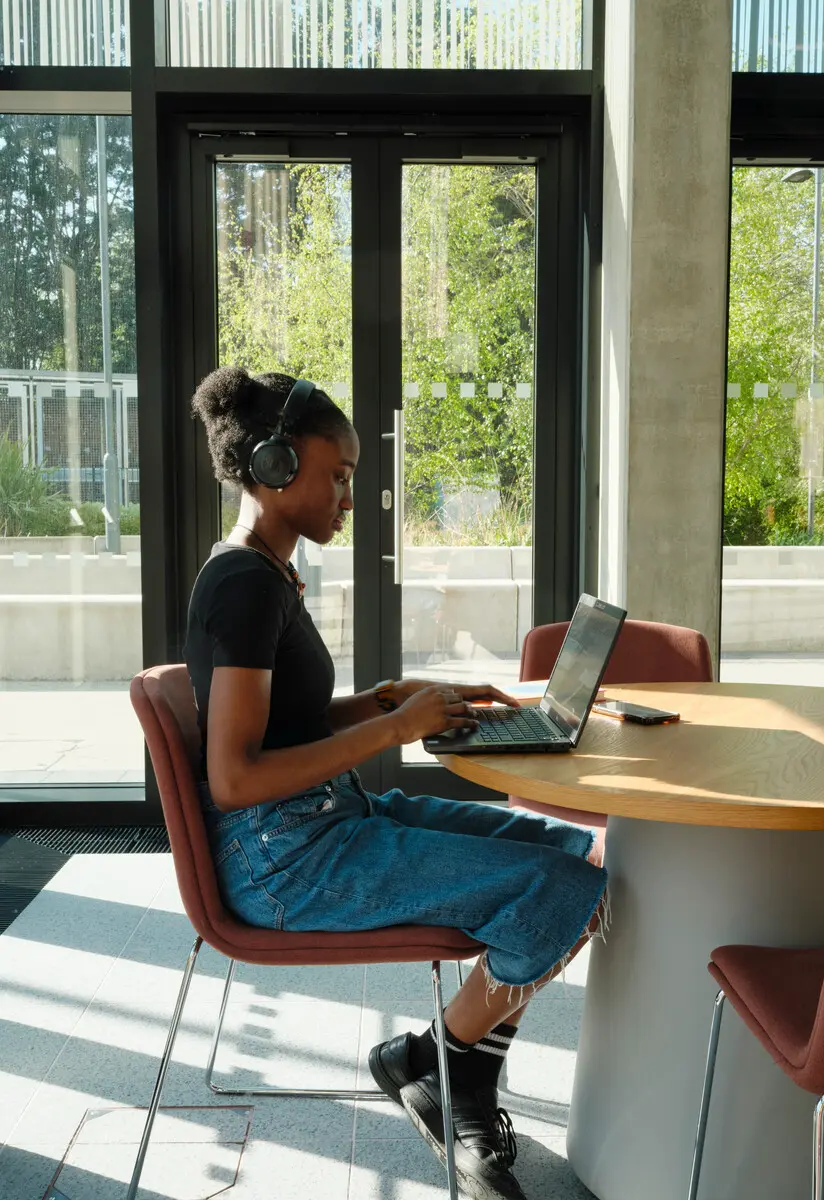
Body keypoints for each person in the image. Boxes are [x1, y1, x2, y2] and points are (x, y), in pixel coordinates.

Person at [185, 367, 608, 1200]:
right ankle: (433, 1065)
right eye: (337, 475)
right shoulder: (242, 586)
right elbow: (234, 778)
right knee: (558, 890)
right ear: (273, 468)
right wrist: (392, 731)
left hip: (321, 823)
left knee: (578, 860)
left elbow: (286, 720)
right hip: (287, 859)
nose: (350, 495)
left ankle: (454, 1076)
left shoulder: (264, 573)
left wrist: (389, 698)